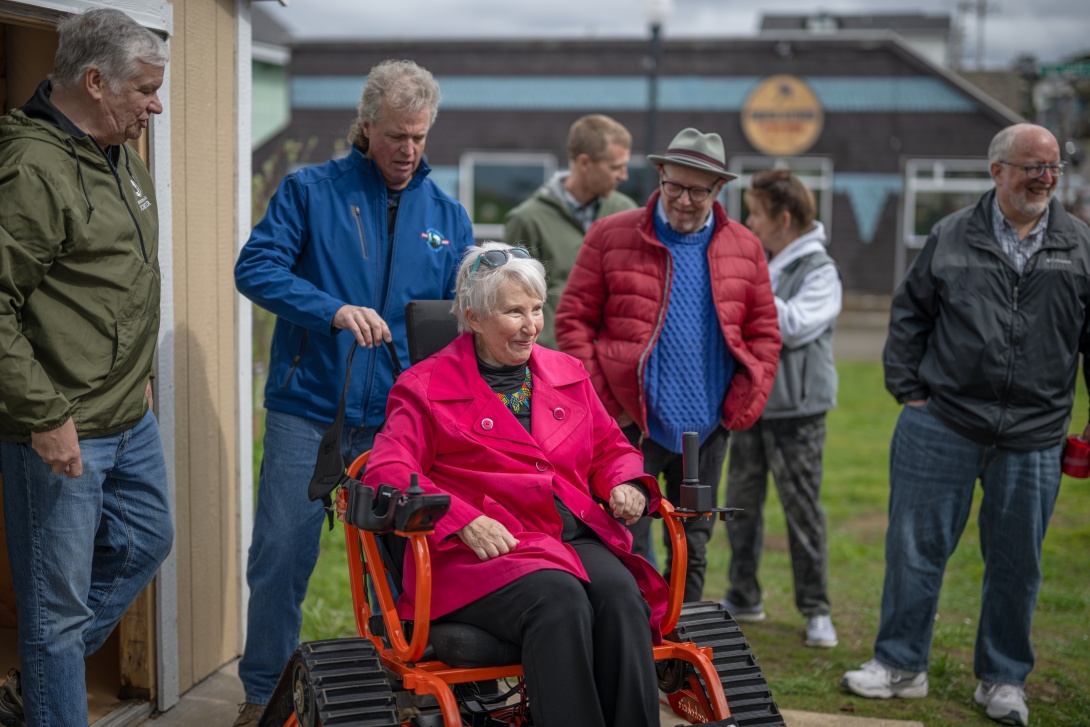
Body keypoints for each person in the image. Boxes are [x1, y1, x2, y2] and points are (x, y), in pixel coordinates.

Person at [232, 59, 473, 725]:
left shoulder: (448, 216)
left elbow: (462, 316)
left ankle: (393, 688)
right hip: (309, 408)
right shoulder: (309, 190)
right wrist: (330, 310)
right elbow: (254, 268)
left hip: (400, 420)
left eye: (420, 137)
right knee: (281, 553)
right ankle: (261, 695)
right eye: (397, 135)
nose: (409, 150)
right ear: (366, 126)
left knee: (405, 563)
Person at [841, 123, 1090, 727]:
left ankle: (1003, 679)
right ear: (997, 170)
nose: (1045, 178)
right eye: (1033, 166)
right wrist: (910, 391)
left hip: (1033, 434)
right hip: (942, 422)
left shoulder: (1080, 243)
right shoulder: (952, 234)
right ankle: (900, 666)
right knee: (914, 549)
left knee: (1017, 563)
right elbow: (910, 315)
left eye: (1054, 166)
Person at [363, 242, 668, 727]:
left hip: (566, 534)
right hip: (485, 550)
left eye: (536, 309)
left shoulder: (566, 372)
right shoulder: (424, 387)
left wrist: (623, 481)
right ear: (474, 316)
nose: (531, 326)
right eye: (513, 312)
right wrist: (462, 520)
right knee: (559, 600)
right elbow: (388, 470)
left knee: (622, 598)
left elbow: (611, 448)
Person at [0, 9, 171, 725]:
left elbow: (116, 279)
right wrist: (43, 414)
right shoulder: (32, 167)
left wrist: (138, 372)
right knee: (55, 611)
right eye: (144, 89)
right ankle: (48, 679)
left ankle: (39, 676)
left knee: (148, 538)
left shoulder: (119, 155)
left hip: (128, 413)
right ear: (95, 81)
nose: (155, 105)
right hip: (63, 424)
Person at [555, 127, 781, 602]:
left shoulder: (745, 246)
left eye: (698, 190)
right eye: (674, 186)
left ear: (719, 189)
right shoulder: (610, 235)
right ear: (659, 174)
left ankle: (683, 639)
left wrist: (743, 403)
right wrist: (603, 404)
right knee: (624, 538)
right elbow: (574, 320)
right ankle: (635, 640)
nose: (683, 200)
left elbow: (764, 333)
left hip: (709, 424)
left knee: (693, 542)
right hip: (630, 421)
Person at [721, 170, 841, 648]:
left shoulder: (820, 270)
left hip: (798, 412)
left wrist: (743, 289)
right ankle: (743, 594)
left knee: (802, 509)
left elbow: (789, 325)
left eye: (755, 213)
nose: (748, 221)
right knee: (742, 506)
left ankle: (817, 609)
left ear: (784, 219)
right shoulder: (767, 261)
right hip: (754, 406)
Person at [503, 114, 636, 348]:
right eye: (616, 167)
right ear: (584, 163)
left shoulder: (626, 213)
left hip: (611, 359)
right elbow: (513, 303)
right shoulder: (527, 220)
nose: (624, 175)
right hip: (553, 359)